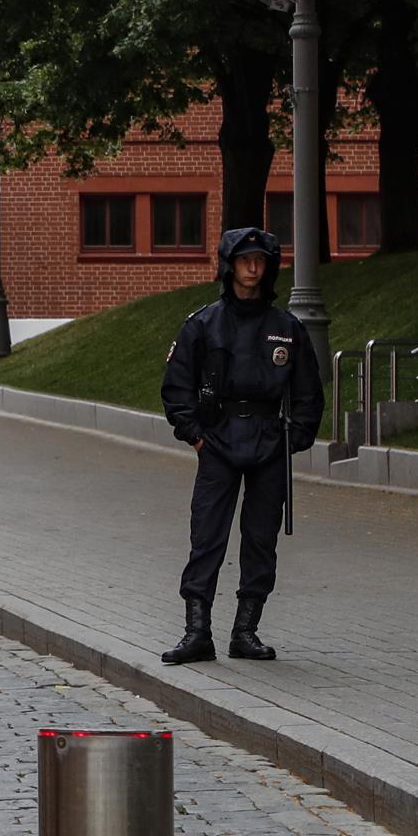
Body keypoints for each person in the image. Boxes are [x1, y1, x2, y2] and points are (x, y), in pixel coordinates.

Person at [159, 227, 323, 664]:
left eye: (260, 260)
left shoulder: (287, 328)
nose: (252, 267)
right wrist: (195, 436)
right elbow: (176, 386)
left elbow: (308, 391)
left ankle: (245, 632)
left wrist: (295, 437)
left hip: (270, 440)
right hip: (218, 439)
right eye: (245, 260)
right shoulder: (203, 324)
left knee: (260, 539)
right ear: (230, 265)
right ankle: (197, 633)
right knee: (207, 536)